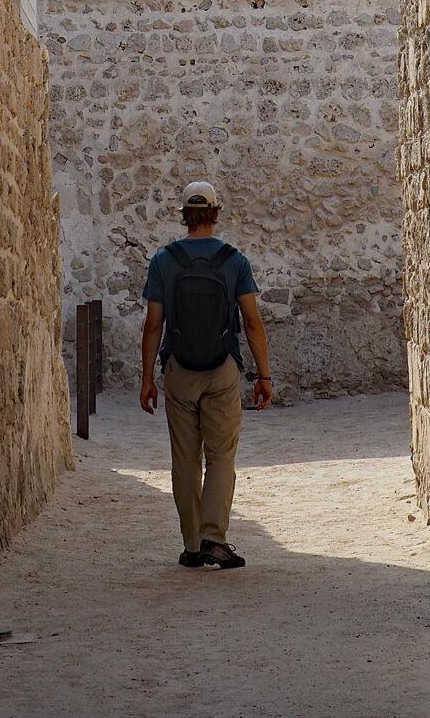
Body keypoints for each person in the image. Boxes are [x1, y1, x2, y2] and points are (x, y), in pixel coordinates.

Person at [139, 179, 272, 569]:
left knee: (184, 460)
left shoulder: (164, 261)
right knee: (220, 457)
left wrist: (147, 377)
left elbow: (153, 325)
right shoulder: (234, 260)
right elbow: (251, 321)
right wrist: (264, 376)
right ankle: (215, 537)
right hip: (222, 370)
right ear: (215, 214)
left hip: (179, 369)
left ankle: (192, 545)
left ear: (185, 215)